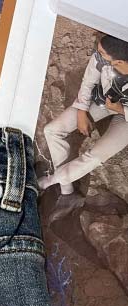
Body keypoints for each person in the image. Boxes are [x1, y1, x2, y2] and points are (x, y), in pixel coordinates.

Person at [38, 34, 128, 216]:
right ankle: (67, 191)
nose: (97, 53)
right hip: (102, 102)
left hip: (125, 117)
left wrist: (121, 109)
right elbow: (88, 81)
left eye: (102, 52)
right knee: (52, 130)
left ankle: (49, 181)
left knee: (95, 156)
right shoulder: (101, 59)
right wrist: (81, 111)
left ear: (119, 61)